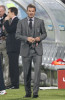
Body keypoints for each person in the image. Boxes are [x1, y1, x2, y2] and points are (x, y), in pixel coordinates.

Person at [16, 4, 47, 98]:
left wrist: (39, 38)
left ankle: (36, 93)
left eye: (32, 11)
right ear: (27, 11)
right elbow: (17, 35)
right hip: (25, 50)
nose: (31, 12)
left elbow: (44, 34)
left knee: (37, 71)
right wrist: (26, 38)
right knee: (26, 72)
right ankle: (28, 92)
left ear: (35, 12)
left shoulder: (40, 21)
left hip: (37, 51)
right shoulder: (21, 22)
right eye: (29, 11)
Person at [4, 7, 21, 89]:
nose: (7, 14)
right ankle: (13, 83)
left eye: (8, 12)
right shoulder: (14, 21)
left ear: (12, 13)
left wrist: (6, 21)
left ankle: (15, 84)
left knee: (14, 65)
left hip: (14, 47)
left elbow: (10, 30)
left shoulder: (16, 21)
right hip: (11, 47)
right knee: (11, 65)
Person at [0, 5, 9, 86]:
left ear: (4, 11)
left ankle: (6, 81)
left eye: (0, 11)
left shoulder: (7, 19)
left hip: (5, 43)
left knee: (6, 63)